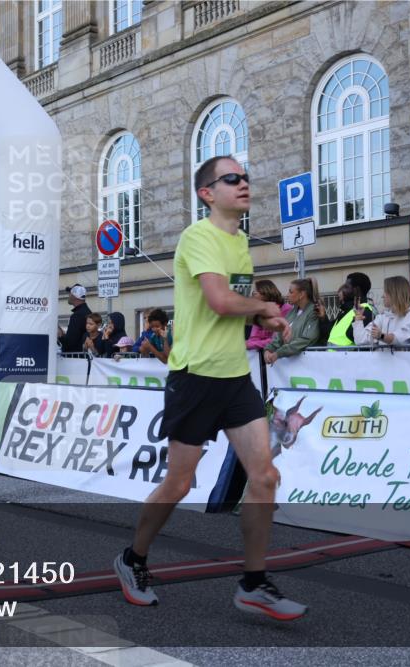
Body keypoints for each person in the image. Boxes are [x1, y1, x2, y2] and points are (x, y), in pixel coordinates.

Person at [113, 155, 305, 619]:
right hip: (195, 377)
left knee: (265, 476)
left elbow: (234, 300)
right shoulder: (197, 236)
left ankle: (254, 584)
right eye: (232, 178)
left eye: (246, 176)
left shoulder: (240, 242)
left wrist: (263, 311)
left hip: (235, 379)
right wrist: (263, 308)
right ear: (207, 193)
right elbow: (220, 301)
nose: (244, 183)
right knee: (178, 483)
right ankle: (132, 558)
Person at [263, 278, 320, 364]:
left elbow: (306, 340)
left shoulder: (314, 312)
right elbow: (279, 336)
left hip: (307, 365)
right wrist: (268, 350)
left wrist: (279, 353)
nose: (287, 295)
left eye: (291, 292)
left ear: (301, 294)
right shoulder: (291, 312)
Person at [353, 276, 410, 346]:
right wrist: (358, 317)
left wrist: (381, 336)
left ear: (395, 293)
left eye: (385, 292)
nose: (382, 296)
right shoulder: (383, 316)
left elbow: (401, 339)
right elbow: (360, 340)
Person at [325, 280, 375, 348]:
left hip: (348, 356)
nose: (339, 302)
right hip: (335, 356)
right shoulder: (344, 311)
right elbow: (331, 333)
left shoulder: (363, 309)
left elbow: (359, 338)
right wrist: (323, 318)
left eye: (340, 299)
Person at [246, 280, 291, 350]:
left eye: (254, 293)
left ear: (265, 293)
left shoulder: (285, 309)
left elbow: (277, 340)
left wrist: (249, 344)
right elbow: (253, 338)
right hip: (261, 355)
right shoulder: (258, 312)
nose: (252, 296)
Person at [58, 285, 91, 353]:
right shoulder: (86, 311)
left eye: (70, 293)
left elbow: (70, 343)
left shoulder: (77, 315)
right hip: (80, 358)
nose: (69, 295)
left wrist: (60, 335)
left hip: (74, 359)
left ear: (74, 295)